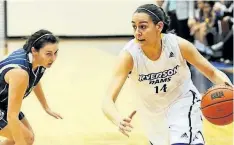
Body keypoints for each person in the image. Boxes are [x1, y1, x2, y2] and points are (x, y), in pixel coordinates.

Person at [102, 4, 232, 145]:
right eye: (134, 27)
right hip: (153, 114)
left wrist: (230, 89)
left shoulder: (179, 45)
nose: (137, 32)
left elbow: (212, 72)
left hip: (183, 101)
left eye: (143, 26)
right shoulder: (129, 56)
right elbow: (107, 100)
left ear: (159, 26)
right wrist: (118, 119)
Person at [0, 29, 63, 145]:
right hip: (4, 107)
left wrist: (46, 107)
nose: (53, 58)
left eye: (55, 53)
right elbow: (12, 116)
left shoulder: (39, 61)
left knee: (28, 139)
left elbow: (34, 80)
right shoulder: (20, 73)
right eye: (48, 53)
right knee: (24, 139)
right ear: (34, 51)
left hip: (4, 104)